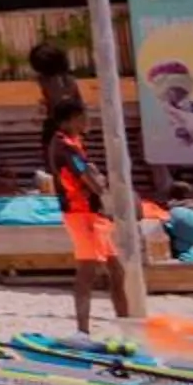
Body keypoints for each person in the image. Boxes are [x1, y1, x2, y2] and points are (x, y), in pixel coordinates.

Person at [45, 98, 130, 334]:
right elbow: (89, 180)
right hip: (80, 214)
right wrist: (104, 187)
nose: (87, 121)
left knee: (116, 269)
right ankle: (82, 332)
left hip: (93, 214)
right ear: (71, 120)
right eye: (83, 117)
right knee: (87, 271)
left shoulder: (74, 142)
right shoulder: (64, 146)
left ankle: (126, 324)